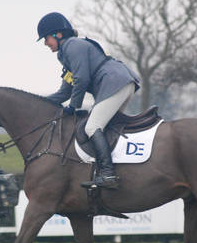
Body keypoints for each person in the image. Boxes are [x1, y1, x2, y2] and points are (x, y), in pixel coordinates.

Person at [37, 12, 140, 189]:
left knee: (92, 127)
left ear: (58, 35)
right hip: (119, 84)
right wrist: (37, 102)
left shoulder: (72, 46)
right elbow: (64, 93)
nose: (45, 43)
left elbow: (82, 80)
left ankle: (108, 174)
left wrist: (73, 106)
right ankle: (121, 169)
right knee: (104, 127)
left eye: (46, 39)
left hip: (114, 83)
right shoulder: (68, 52)